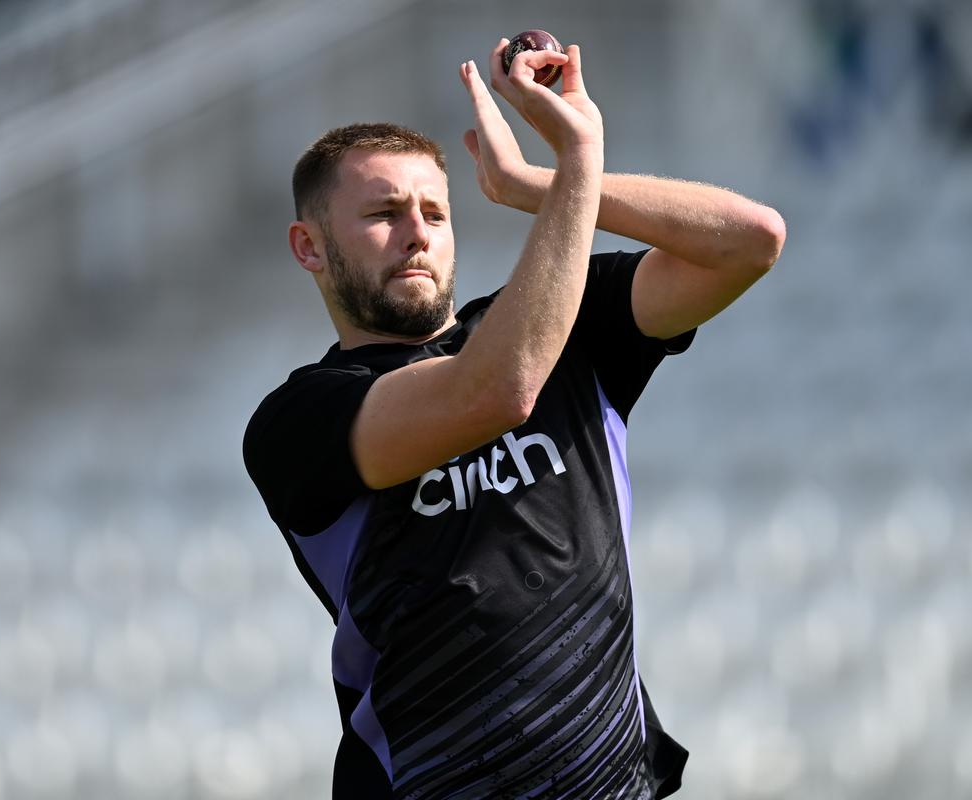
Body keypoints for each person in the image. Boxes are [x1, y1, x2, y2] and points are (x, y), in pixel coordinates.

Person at [243, 38, 785, 800]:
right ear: (310, 248)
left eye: (435, 209)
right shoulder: (296, 421)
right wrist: (578, 161)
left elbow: (749, 243)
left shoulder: (560, 323)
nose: (418, 232)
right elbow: (498, 390)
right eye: (382, 213)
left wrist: (548, 182)